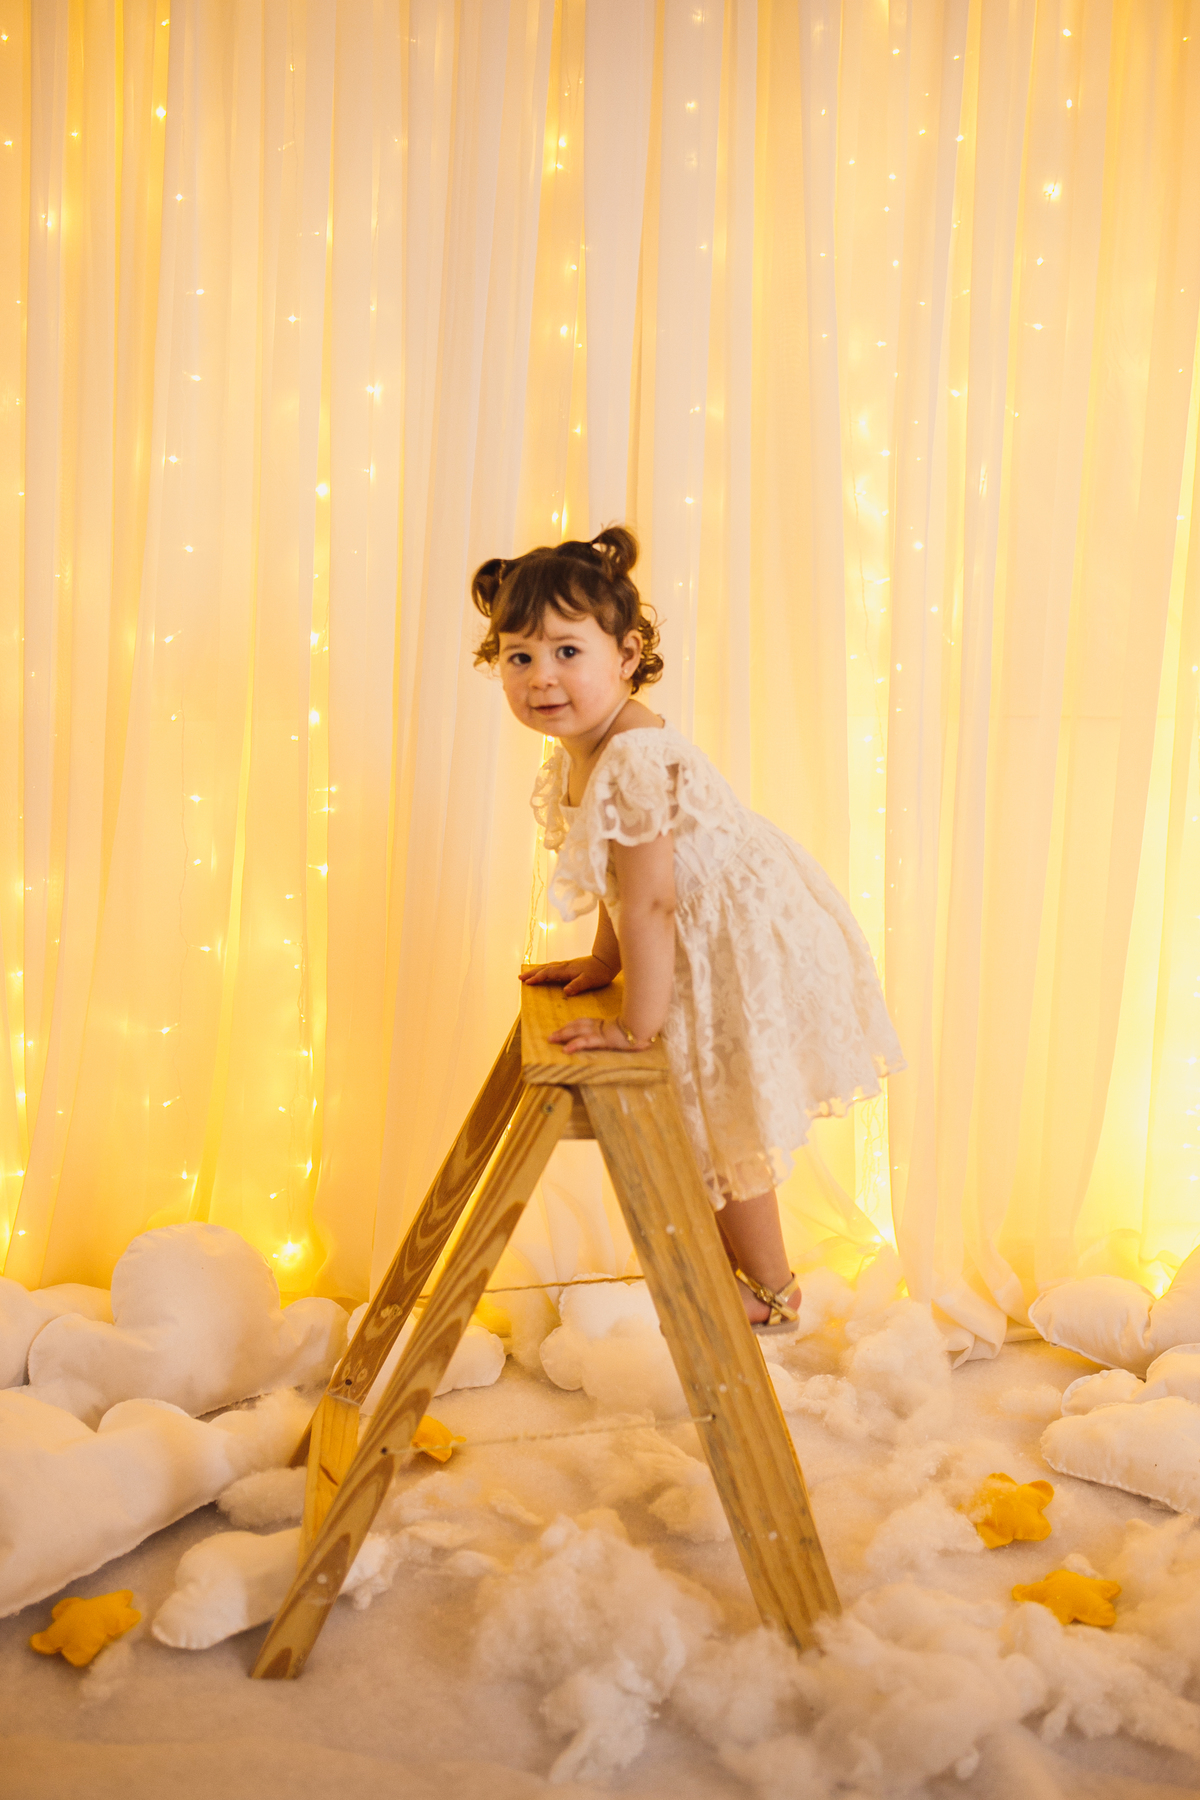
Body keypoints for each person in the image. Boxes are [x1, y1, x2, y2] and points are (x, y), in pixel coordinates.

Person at [472, 526, 904, 1333]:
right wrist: (602, 964)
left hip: (739, 938)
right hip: (697, 930)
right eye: (519, 656)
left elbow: (653, 903)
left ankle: (773, 1289)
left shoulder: (634, 757)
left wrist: (637, 1026)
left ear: (627, 655)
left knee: (722, 1112)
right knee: (695, 1115)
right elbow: (618, 877)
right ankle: (734, 1275)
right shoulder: (579, 749)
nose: (541, 678)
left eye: (567, 652)